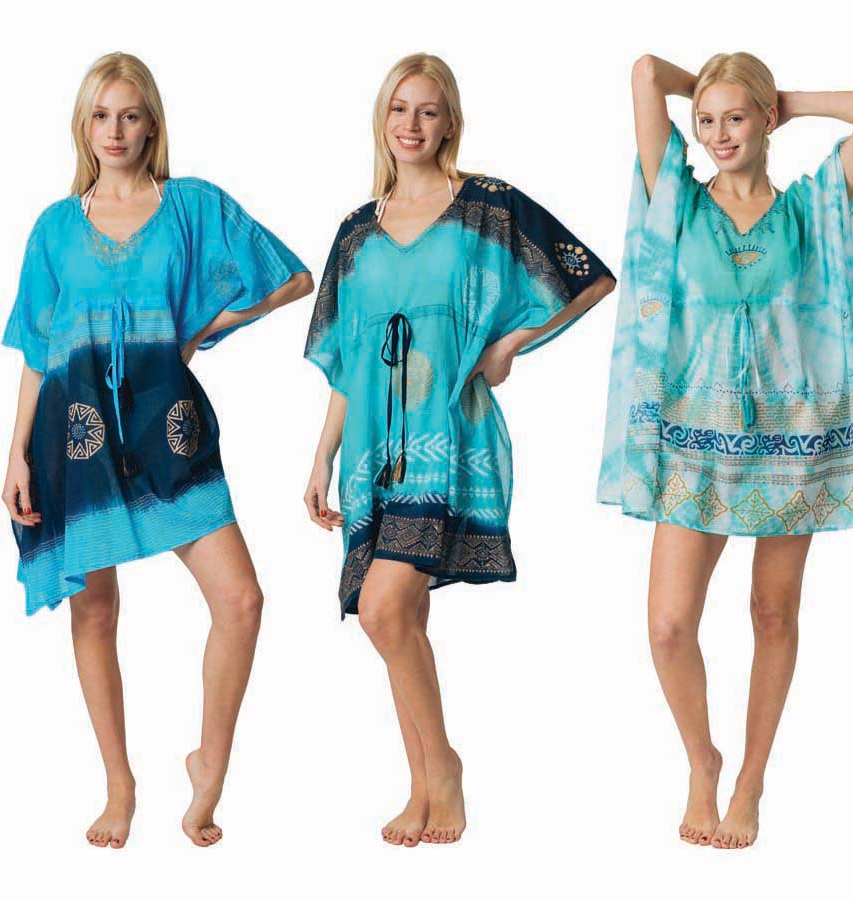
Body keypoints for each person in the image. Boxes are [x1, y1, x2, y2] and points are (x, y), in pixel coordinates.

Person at [1, 52, 313, 848]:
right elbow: (37, 347)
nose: (115, 131)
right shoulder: (54, 227)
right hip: (74, 435)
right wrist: (16, 455)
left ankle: (209, 765)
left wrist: (199, 329)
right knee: (96, 608)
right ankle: (119, 784)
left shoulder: (189, 206)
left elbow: (291, 279)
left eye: (130, 115)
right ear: (84, 126)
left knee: (241, 600)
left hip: (167, 429)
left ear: (152, 125)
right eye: (101, 115)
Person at [304, 52, 615, 846]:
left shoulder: (484, 206)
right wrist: (321, 456)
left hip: (447, 437)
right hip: (372, 449)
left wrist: (508, 344)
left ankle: (442, 770)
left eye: (428, 110)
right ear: (382, 119)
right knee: (396, 615)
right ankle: (423, 784)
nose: (411, 124)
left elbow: (588, 277)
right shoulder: (356, 231)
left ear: (450, 123)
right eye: (399, 108)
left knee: (382, 608)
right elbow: (348, 360)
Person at [597, 51, 853, 849]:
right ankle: (704, 761)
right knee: (668, 625)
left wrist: (783, 100)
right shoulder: (676, 200)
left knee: (772, 611)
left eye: (736, 118)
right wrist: (707, 87)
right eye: (707, 120)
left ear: (765, 122)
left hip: (791, 439)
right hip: (692, 442)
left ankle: (752, 780)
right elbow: (644, 72)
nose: (718, 134)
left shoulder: (810, 208)